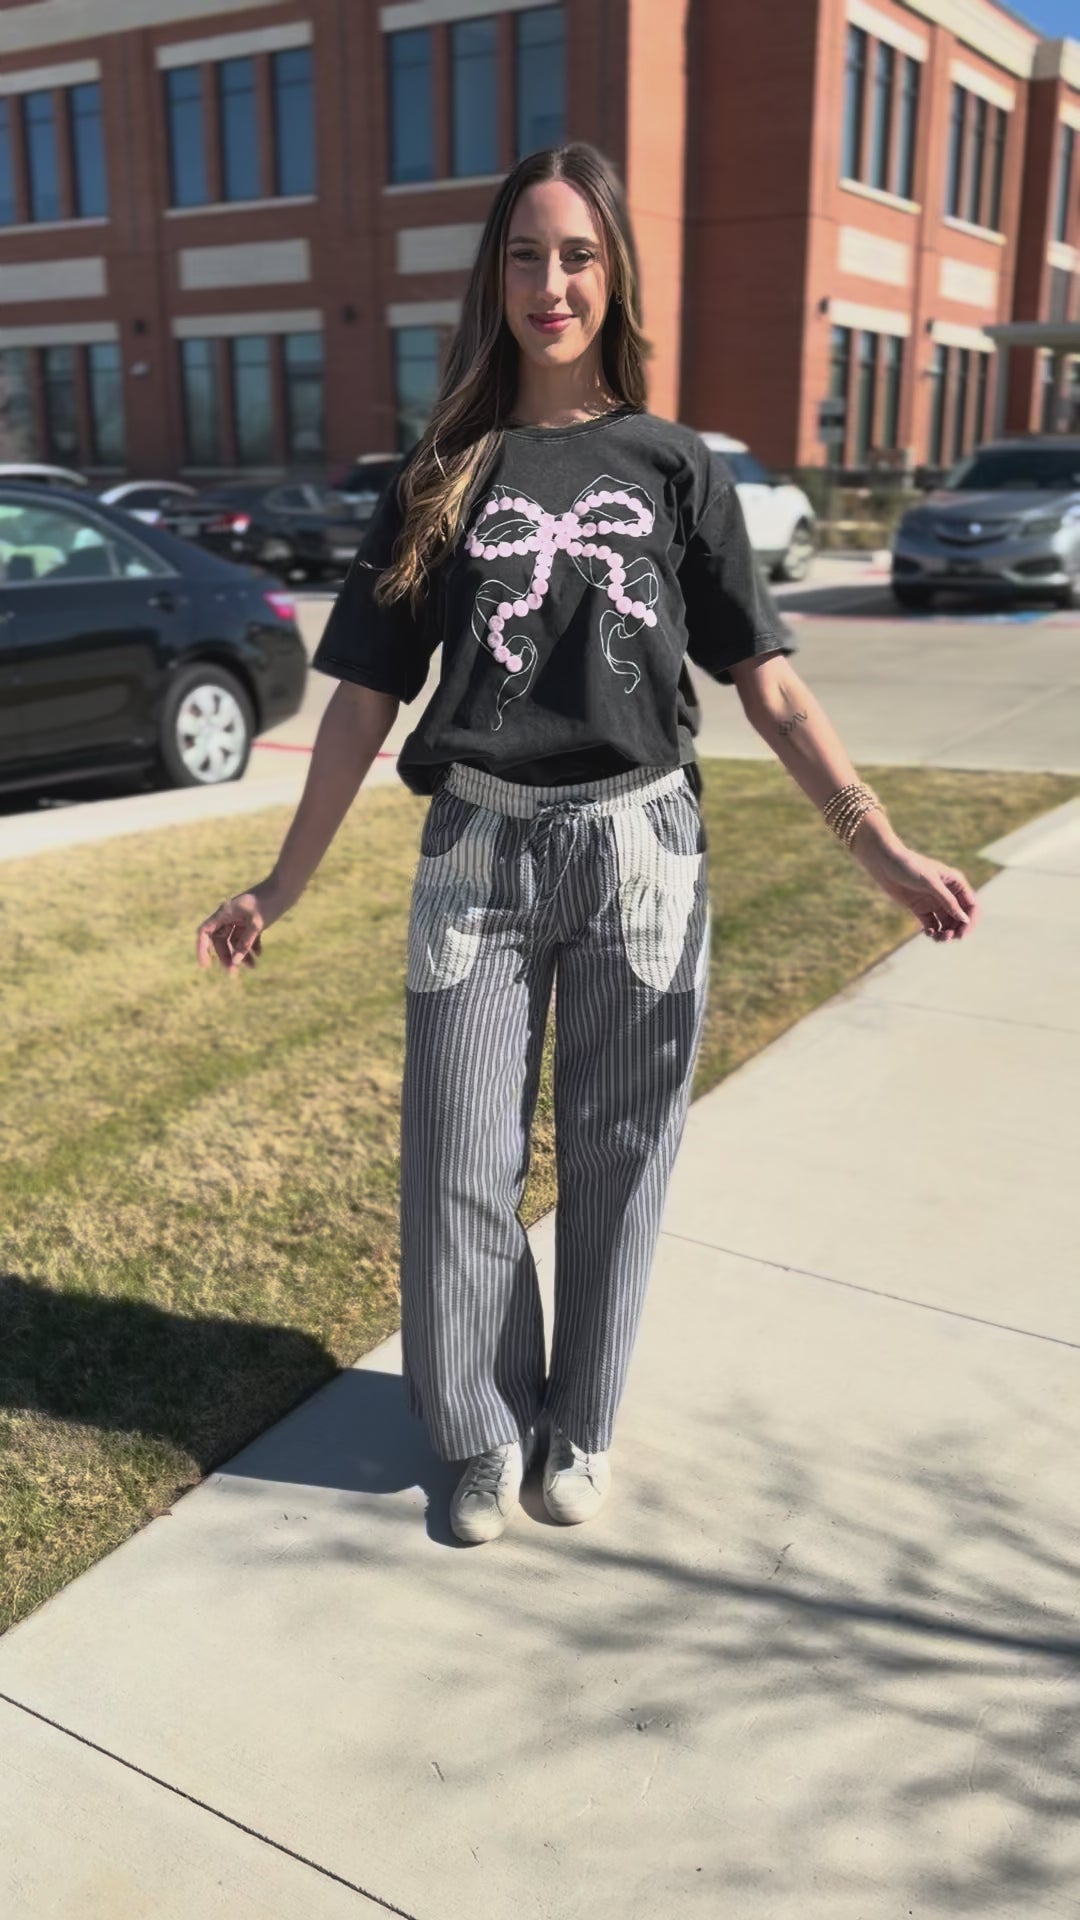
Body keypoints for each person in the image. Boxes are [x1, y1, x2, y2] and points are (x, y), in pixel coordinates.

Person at [196, 143, 978, 1547]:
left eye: (576, 256)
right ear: (490, 277)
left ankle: (582, 1420)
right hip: (479, 857)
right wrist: (282, 880)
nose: (549, 284)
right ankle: (483, 1430)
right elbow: (365, 696)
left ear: (613, 275)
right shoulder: (442, 470)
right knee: (454, 1161)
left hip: (639, 855)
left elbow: (772, 685)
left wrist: (881, 846)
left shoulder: (677, 467)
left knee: (622, 1157)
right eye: (523, 255)